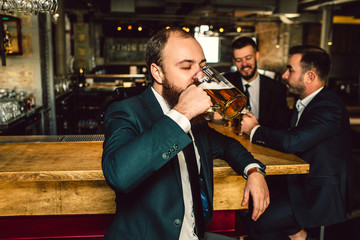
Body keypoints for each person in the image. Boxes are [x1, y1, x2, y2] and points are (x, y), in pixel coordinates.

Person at [101, 27, 270, 240]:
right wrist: (182, 112)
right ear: (157, 72)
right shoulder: (126, 111)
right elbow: (119, 175)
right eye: (186, 67)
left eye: (202, 67)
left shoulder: (197, 121)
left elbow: (227, 145)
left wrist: (254, 171)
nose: (200, 77)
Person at [241, 45, 352, 240]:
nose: (284, 75)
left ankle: (302, 236)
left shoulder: (329, 106)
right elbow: (289, 135)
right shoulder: (308, 101)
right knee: (250, 205)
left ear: (309, 77)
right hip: (299, 183)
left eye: (290, 70)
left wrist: (255, 130)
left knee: (256, 221)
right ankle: (297, 234)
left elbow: (292, 141)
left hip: (319, 192)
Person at [223, 36, 291, 129]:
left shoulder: (277, 89)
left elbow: (281, 126)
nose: (244, 64)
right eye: (239, 60)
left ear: (257, 56)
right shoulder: (226, 83)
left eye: (248, 58)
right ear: (234, 61)